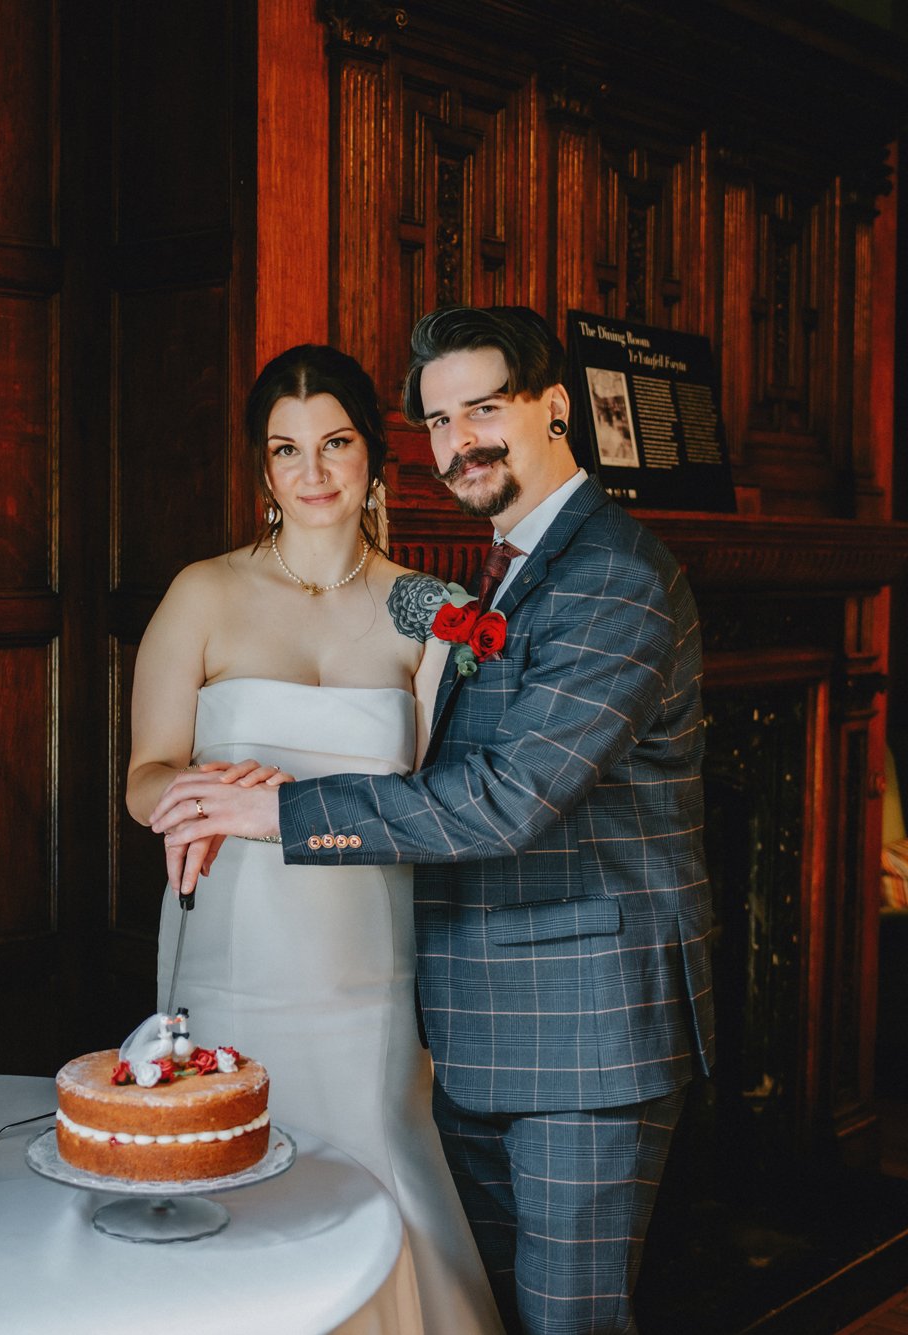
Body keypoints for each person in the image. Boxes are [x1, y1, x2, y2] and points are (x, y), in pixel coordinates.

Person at [151, 307, 715, 1335]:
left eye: (483, 409)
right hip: (459, 1017)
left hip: (576, 1040)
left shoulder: (609, 579)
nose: (459, 440)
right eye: (440, 420)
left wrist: (273, 806)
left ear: (555, 408)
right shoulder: (489, 580)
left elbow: (505, 796)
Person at [128, 344, 502, 1335]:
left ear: (374, 459)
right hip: (232, 943)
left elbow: (465, 791)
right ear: (261, 470)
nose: (312, 472)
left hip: (367, 956)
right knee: (236, 1168)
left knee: (374, 1155)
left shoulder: (426, 606)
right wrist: (202, 787)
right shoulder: (201, 592)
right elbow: (143, 777)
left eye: (334, 443)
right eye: (285, 450)